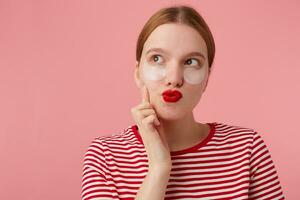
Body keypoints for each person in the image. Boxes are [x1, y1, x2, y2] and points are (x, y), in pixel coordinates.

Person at [81, 5, 285, 200]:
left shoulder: (246, 149)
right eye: (157, 58)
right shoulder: (104, 157)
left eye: (190, 62)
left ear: (206, 78)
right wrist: (159, 168)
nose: (174, 78)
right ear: (137, 72)